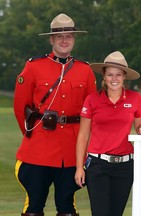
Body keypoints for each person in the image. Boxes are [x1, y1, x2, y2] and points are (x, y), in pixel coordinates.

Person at [13, 13, 97, 216]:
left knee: (67, 207)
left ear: (74, 39)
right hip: (39, 147)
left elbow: (91, 112)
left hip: (71, 150)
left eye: (69, 35)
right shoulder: (34, 67)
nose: (65, 40)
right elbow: (20, 107)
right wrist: (32, 133)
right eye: (60, 36)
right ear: (51, 39)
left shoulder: (85, 70)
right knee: (33, 207)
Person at [74, 51, 141, 216]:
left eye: (118, 74)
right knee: (100, 213)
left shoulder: (135, 98)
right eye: (110, 74)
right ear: (103, 76)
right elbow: (82, 136)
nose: (114, 79)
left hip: (125, 166)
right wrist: (79, 168)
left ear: (124, 76)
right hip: (97, 165)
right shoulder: (92, 99)